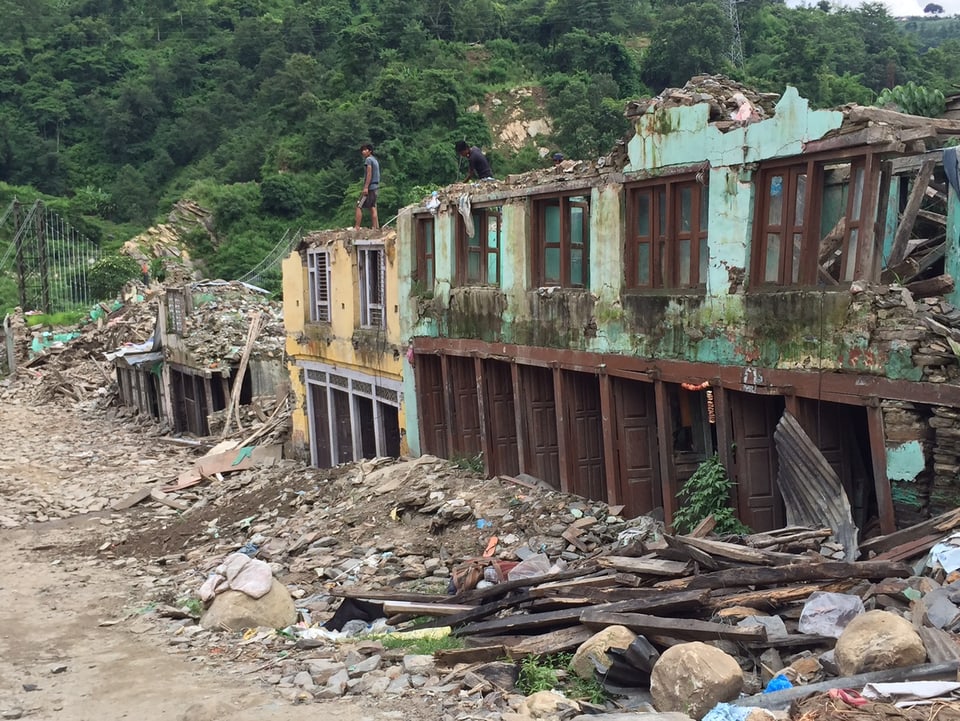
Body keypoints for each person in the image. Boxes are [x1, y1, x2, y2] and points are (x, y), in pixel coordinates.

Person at [354, 143, 380, 230]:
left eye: (365, 150)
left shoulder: (368, 160)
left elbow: (369, 173)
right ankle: (375, 227)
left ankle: (357, 227)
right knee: (372, 207)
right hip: (376, 187)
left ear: (370, 151)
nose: (363, 152)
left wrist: (366, 187)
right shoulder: (375, 160)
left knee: (358, 205)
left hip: (370, 187)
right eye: (362, 150)